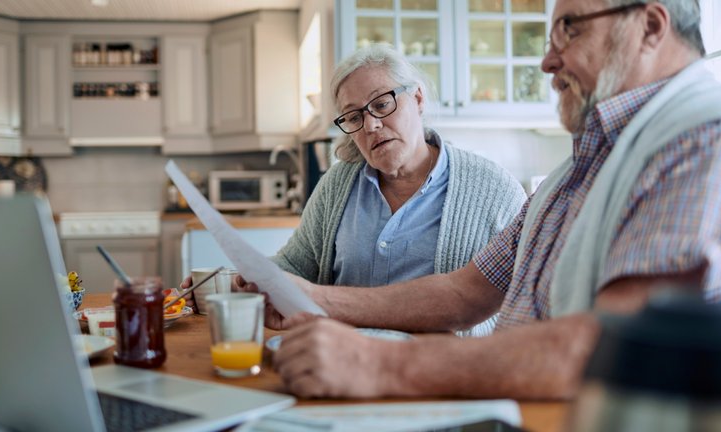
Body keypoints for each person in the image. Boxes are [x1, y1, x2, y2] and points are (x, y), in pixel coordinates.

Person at [250, 0, 721, 399]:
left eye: (569, 29)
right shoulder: (575, 172)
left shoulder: (701, 138)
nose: (547, 62)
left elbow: (613, 347)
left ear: (651, 27)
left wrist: (381, 364)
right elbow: (464, 294)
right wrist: (315, 299)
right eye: (549, 37)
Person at [192, 44, 526, 335]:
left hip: (440, 375)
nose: (371, 125)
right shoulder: (338, 184)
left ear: (418, 98)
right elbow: (297, 264)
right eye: (353, 117)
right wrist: (242, 281)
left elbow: (520, 308)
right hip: (338, 360)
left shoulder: (495, 191)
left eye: (382, 105)